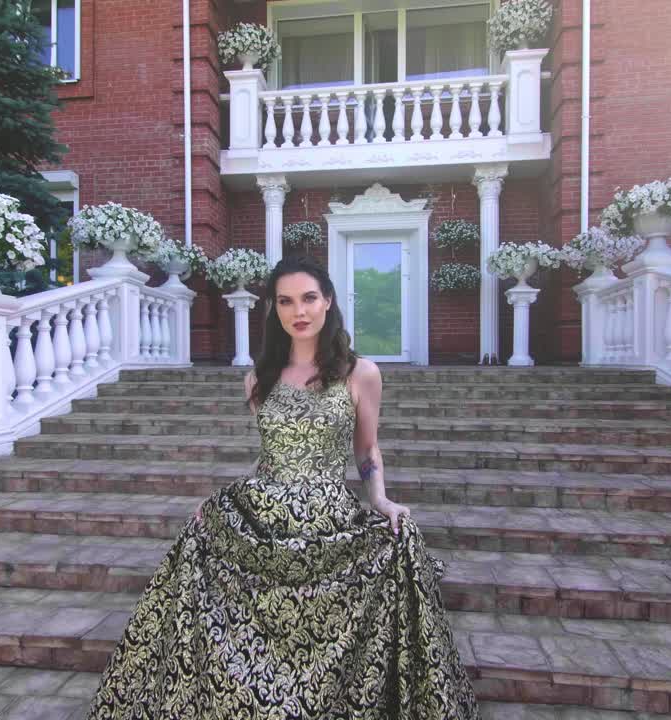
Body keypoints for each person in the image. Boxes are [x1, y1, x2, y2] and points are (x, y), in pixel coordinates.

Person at [86, 254, 479, 719]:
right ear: (274, 309)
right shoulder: (258, 380)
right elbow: (271, 454)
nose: (300, 311)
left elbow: (367, 449)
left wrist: (381, 500)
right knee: (204, 570)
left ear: (328, 302)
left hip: (328, 516)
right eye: (286, 301)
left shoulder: (360, 373)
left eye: (310, 298)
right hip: (264, 513)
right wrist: (219, 509)